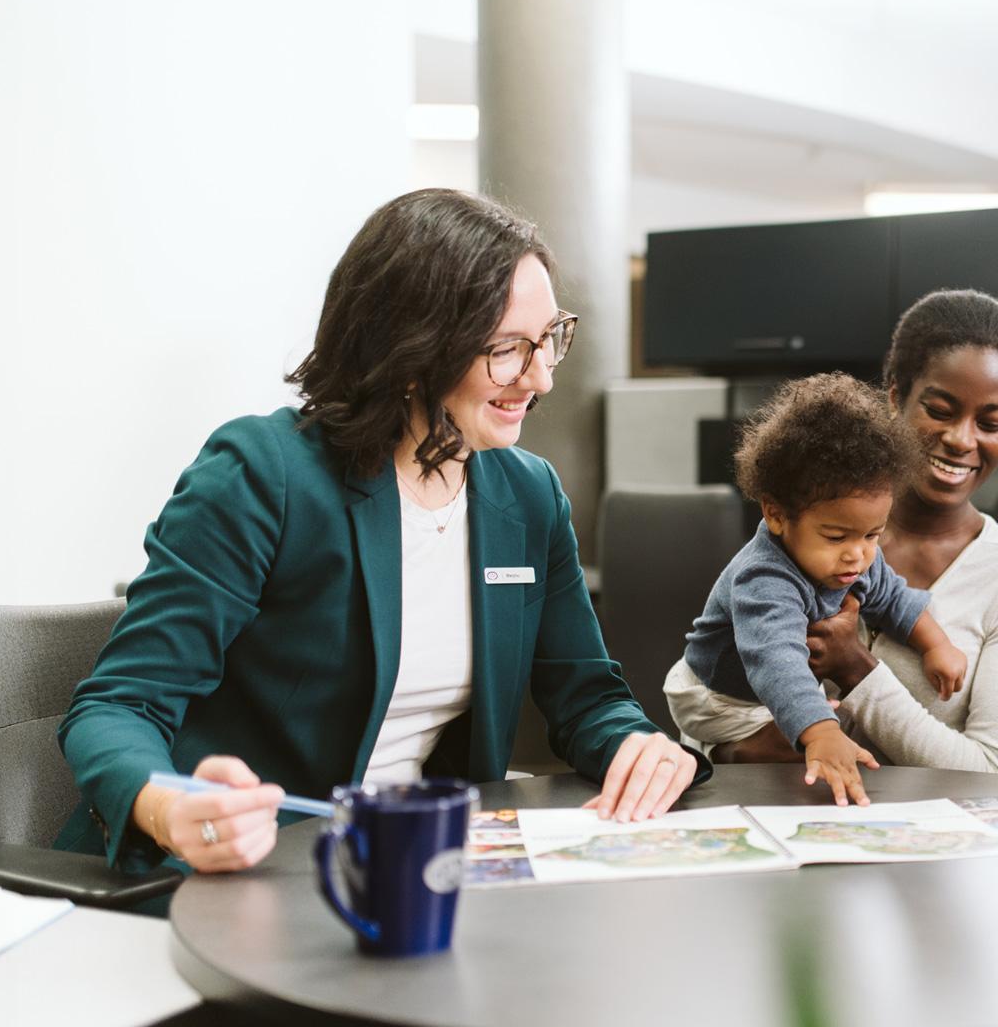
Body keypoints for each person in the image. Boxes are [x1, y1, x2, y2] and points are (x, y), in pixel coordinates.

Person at [54, 189, 706, 877]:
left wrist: (638, 746)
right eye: (508, 348)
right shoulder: (263, 475)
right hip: (248, 870)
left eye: (550, 339)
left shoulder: (528, 494)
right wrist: (170, 806)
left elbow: (586, 699)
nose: (539, 376)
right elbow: (117, 705)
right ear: (414, 347)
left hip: (414, 865)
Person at [681, 289, 998, 776]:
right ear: (894, 397)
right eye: (941, 410)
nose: (962, 439)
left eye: (991, 422)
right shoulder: (800, 537)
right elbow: (711, 696)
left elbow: (996, 774)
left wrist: (856, 668)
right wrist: (729, 754)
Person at [666, 373, 968, 806]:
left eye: (872, 534)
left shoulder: (859, 556)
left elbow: (894, 598)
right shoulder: (764, 579)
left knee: (815, 723)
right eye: (835, 536)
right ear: (776, 515)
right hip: (718, 697)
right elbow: (777, 661)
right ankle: (715, 750)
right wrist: (820, 732)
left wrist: (936, 645)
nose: (857, 556)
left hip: (768, 690)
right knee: (810, 736)